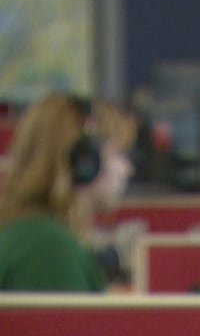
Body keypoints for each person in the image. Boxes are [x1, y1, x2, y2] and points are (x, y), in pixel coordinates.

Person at [0, 93, 136, 291]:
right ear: (85, 162)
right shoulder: (50, 250)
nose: (127, 168)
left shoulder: (31, 233)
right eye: (118, 153)